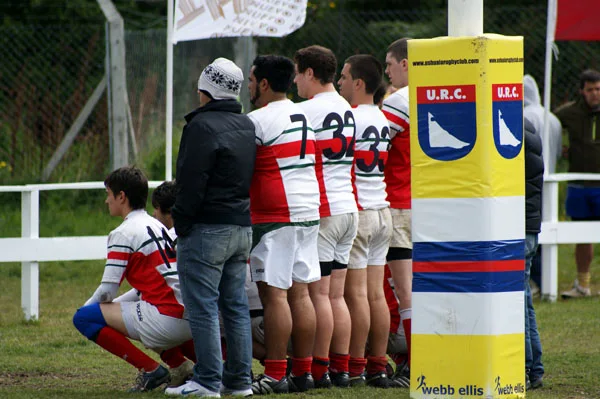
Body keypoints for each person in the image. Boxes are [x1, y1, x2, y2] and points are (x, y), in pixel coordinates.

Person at [167, 57, 256, 397]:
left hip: (207, 228)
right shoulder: (246, 125)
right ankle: (239, 382)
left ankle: (207, 381)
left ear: (206, 91)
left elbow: (191, 182)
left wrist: (182, 223)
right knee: (234, 307)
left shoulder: (201, 127)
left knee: (203, 306)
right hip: (240, 227)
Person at [72, 166, 193, 392]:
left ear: (121, 196)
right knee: (130, 310)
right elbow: (144, 289)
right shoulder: (157, 225)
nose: (107, 201)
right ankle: (181, 366)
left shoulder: (123, 233)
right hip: (190, 315)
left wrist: (85, 309)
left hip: (166, 319)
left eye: (108, 194)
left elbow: (108, 290)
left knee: (84, 319)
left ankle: (151, 370)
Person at [247, 54, 321, 395]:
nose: (248, 86)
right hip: (309, 206)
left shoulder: (257, 120)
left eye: (251, 80)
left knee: (274, 294)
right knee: (301, 291)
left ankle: (276, 373)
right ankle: (302, 372)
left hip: (276, 213)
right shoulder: (306, 112)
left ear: (263, 83)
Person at [293, 45, 358, 388]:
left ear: (308, 73)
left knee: (318, 296)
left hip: (325, 209)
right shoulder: (347, 107)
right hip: (349, 207)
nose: (293, 80)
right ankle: (342, 367)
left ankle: (318, 370)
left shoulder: (308, 110)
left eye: (296, 72)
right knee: (336, 297)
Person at [338, 54, 393, 388]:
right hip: (382, 210)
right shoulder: (383, 118)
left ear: (359, 83)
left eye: (344, 77)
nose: (340, 82)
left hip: (359, 210)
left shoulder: (350, 117)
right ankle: (377, 365)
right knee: (376, 295)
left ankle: (356, 366)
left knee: (356, 295)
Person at [115, 180, 196, 388]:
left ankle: (167, 368)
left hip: (183, 312)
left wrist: (113, 304)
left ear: (163, 211)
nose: (154, 215)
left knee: (148, 316)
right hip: (207, 307)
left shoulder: (167, 237)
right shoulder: (194, 230)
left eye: (156, 210)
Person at [381, 37, 413, 384]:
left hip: (398, 201)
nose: (387, 71)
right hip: (427, 202)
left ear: (405, 63)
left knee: (398, 288)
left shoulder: (399, 103)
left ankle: (411, 361)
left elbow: (374, 147)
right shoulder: (438, 95)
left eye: (389, 64)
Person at [555, 69, 600, 299]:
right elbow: (551, 125)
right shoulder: (569, 113)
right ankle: (583, 284)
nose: (595, 93)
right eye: (590, 89)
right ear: (582, 91)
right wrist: (559, 148)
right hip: (579, 185)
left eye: (598, 89)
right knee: (582, 235)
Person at [523, 74, 563, 294]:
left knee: (531, 231)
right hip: (549, 178)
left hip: (529, 181)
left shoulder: (521, 116)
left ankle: (538, 281)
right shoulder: (553, 118)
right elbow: (557, 151)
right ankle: (546, 280)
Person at [523, 116, 545, 390]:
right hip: (529, 225)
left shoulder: (513, 130)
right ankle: (534, 368)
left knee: (518, 302)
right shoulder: (528, 126)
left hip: (519, 225)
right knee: (524, 300)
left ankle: (527, 367)